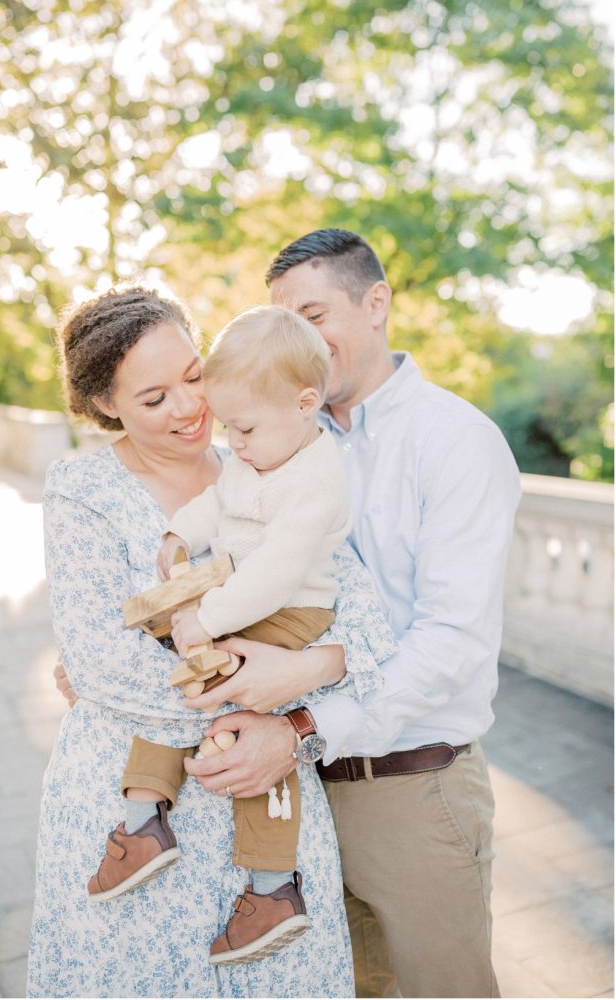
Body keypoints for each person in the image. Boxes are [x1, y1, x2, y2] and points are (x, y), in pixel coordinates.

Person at [175, 229, 521, 999]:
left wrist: (301, 721)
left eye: (314, 313)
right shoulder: (273, 440)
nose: (298, 338)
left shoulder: (456, 442)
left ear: (376, 303)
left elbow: (452, 644)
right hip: (306, 796)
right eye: (282, 320)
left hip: (412, 791)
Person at [28, 284, 395, 998]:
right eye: (154, 397)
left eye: (193, 376)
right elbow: (103, 664)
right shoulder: (81, 492)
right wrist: (250, 710)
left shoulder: (267, 461)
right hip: (128, 802)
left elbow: (367, 631)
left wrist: (292, 706)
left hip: (268, 782)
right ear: (106, 405)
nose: (191, 408)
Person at [88, 304, 357, 968]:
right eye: (228, 427)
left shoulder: (318, 479)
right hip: (236, 593)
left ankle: (271, 887)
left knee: (234, 711)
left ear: (304, 403)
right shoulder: (260, 449)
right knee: (176, 674)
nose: (231, 443)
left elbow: (274, 574)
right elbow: (221, 500)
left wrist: (204, 622)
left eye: (243, 428)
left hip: (288, 613)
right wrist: (181, 531)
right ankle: (145, 816)